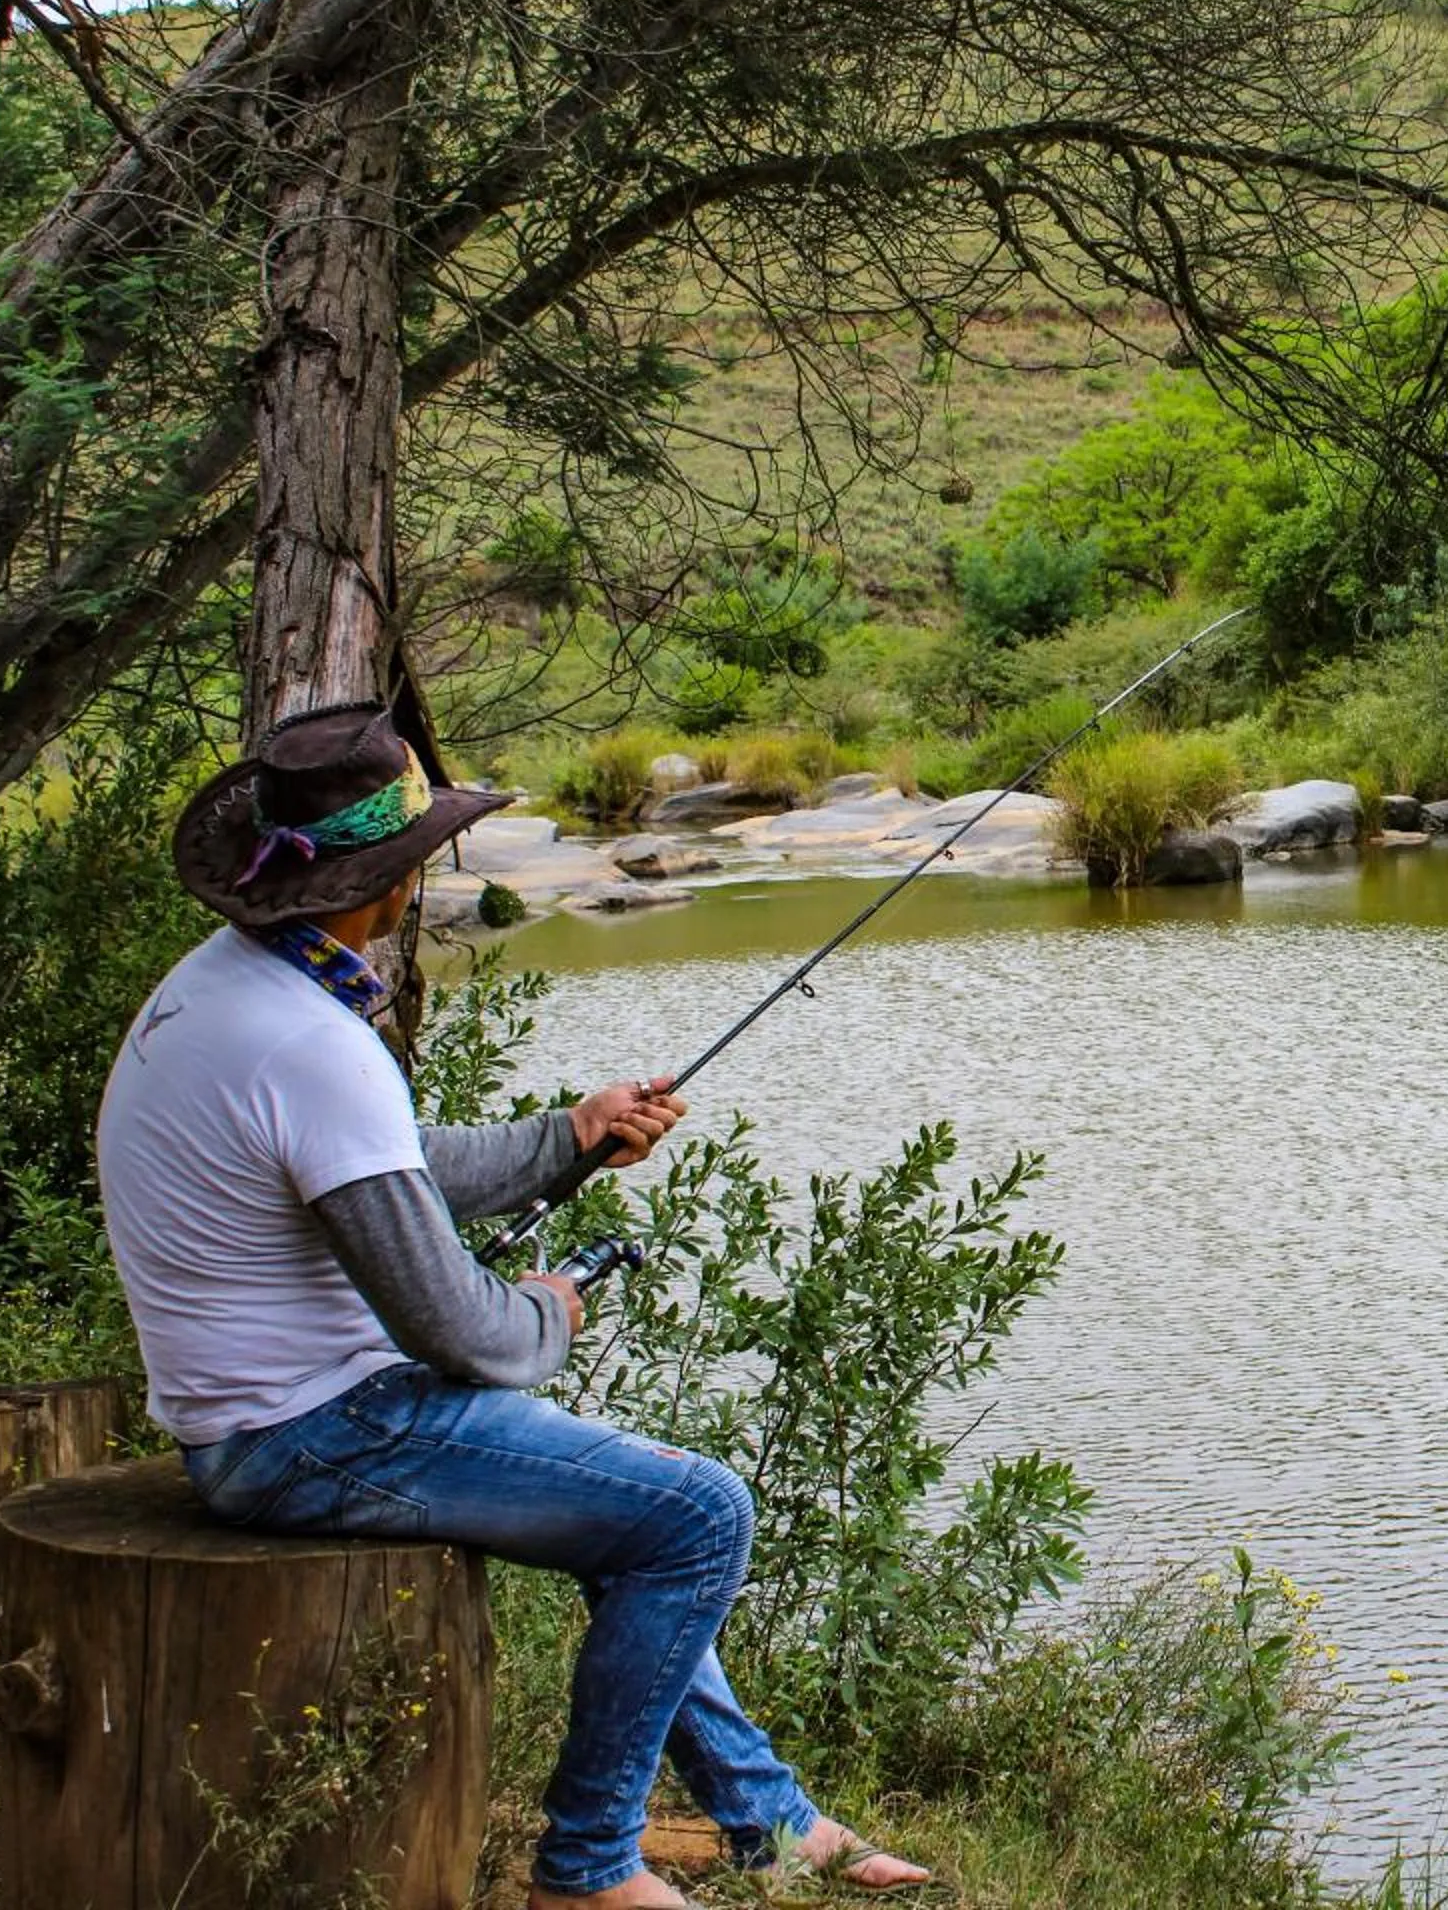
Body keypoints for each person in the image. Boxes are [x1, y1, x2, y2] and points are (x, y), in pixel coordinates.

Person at [95, 701, 925, 1909]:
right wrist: (546, 1310)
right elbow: (461, 1332)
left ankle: (769, 1819)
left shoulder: (226, 987)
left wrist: (571, 1138)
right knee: (695, 1515)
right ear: (390, 876)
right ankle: (586, 1870)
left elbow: (389, 1166)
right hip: (301, 1435)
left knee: (637, 1515)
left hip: (263, 1410)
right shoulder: (307, 1043)